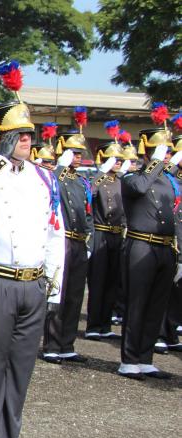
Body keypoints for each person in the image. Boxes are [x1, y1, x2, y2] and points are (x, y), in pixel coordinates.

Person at [0, 72, 64, 438]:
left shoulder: (43, 176)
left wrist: (54, 279)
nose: (28, 140)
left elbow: (53, 228)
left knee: (21, 369)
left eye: (30, 134)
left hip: (33, 282)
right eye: (20, 134)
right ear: (2, 136)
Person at [117, 116, 182, 380]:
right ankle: (129, 359)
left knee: (157, 304)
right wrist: (155, 161)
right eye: (162, 151)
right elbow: (143, 187)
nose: (167, 157)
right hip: (141, 244)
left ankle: (145, 358)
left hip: (165, 248)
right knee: (137, 303)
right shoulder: (132, 177)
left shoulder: (169, 180)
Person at [41, 125, 94, 364]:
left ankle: (67, 344)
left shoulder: (83, 182)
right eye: (73, 152)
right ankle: (52, 344)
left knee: (74, 296)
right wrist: (60, 166)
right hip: (62, 242)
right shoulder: (54, 176)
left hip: (79, 243)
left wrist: (90, 237)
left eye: (80, 153)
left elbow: (89, 213)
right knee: (58, 294)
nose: (79, 156)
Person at [85, 131, 128, 341]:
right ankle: (93, 324)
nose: (118, 163)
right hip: (100, 233)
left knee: (113, 281)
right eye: (114, 159)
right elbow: (88, 193)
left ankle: (105, 323)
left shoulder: (122, 180)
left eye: (120, 159)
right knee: (98, 281)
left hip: (117, 235)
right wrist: (101, 172)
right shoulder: (96, 179)